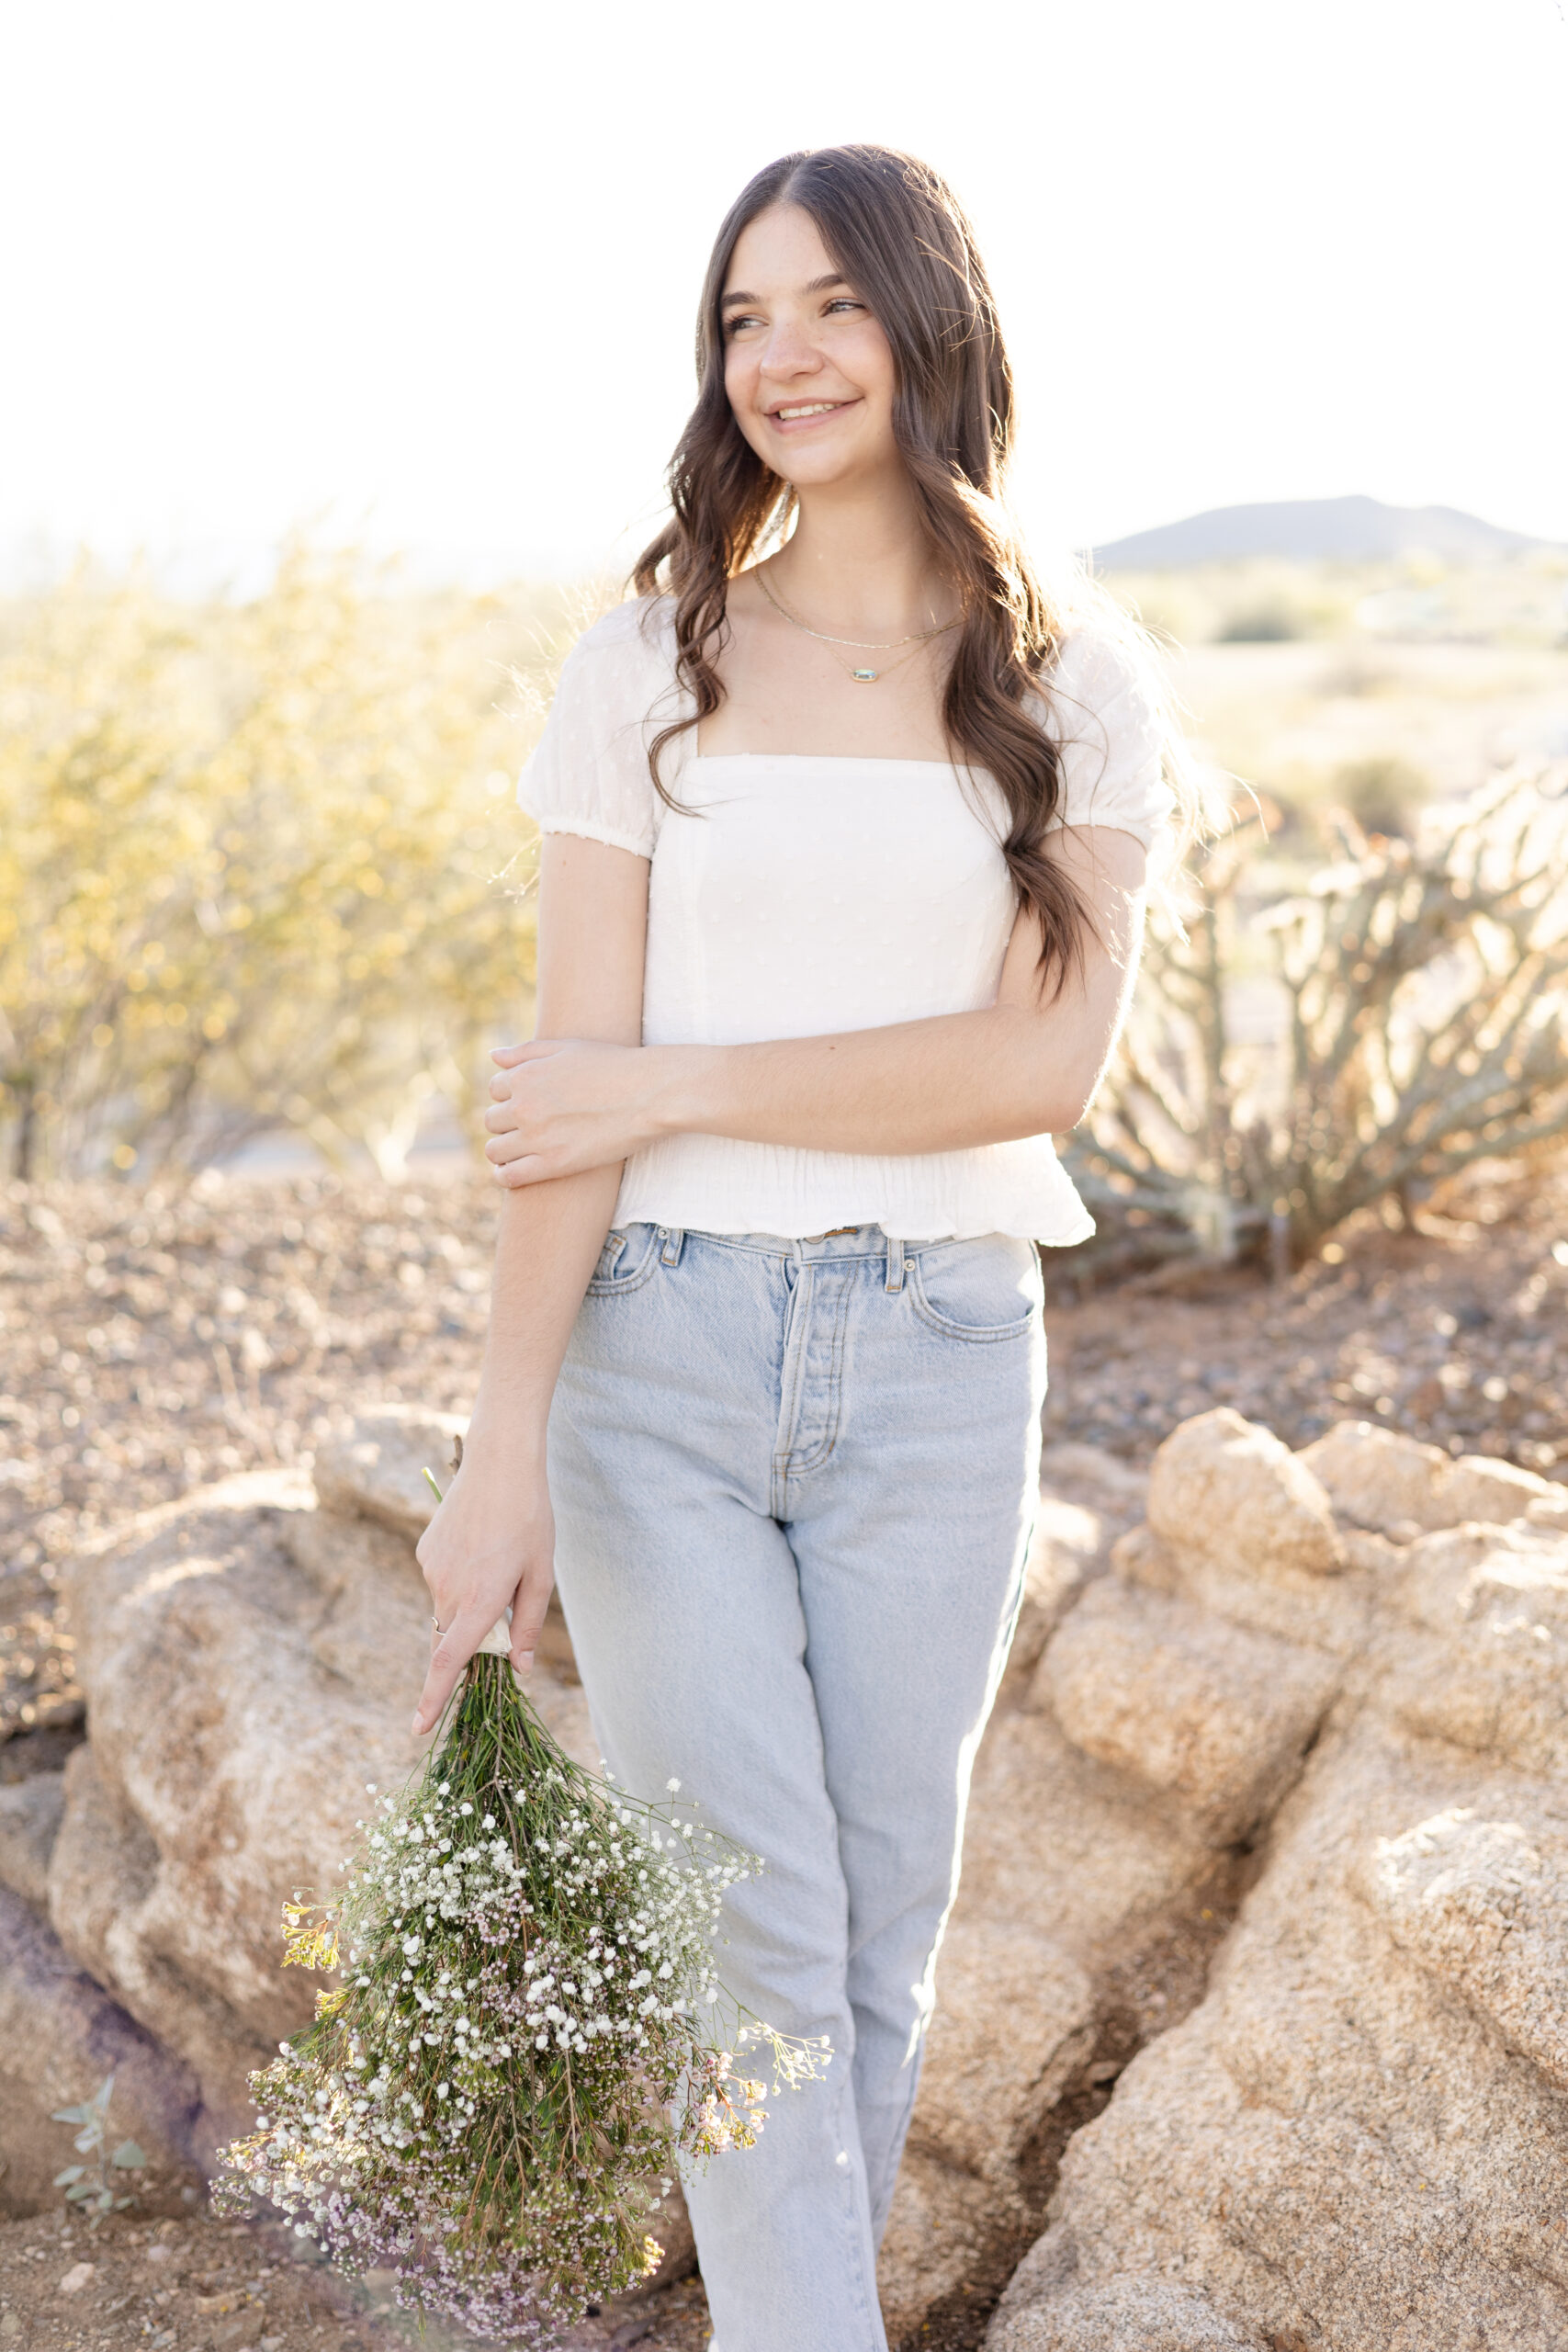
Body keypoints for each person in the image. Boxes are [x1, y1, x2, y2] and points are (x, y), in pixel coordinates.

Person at [413, 142, 1182, 2352]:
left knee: (874, 1930)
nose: (781, 356)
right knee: (747, 1917)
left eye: (829, 304)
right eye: (743, 317)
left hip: (943, 1353)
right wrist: (496, 1459)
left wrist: (669, 1083)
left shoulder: (1070, 676)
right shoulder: (639, 661)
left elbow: (1032, 1065)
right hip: (655, 1356)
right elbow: (558, 1104)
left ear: (930, 326)